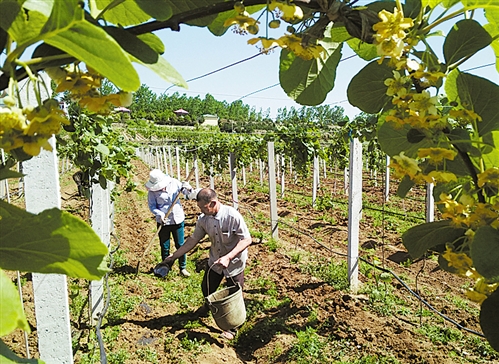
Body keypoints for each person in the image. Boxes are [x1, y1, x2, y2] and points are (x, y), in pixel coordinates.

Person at [160, 187, 252, 340]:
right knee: (207, 287)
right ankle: (208, 307)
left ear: (213, 203)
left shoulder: (232, 216)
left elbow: (247, 239)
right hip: (215, 260)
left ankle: (233, 327)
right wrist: (173, 257)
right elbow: (193, 240)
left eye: (203, 207)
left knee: (234, 293)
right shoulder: (204, 219)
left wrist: (228, 257)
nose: (201, 210)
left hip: (234, 262)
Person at [145, 169, 193, 277]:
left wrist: (188, 187)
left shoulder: (174, 183)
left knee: (180, 245)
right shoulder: (152, 192)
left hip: (177, 218)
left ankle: (182, 268)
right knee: (164, 245)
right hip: (163, 222)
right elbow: (152, 206)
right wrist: (159, 214)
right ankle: (165, 267)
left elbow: (186, 194)